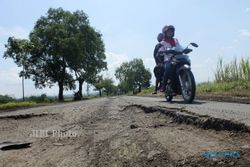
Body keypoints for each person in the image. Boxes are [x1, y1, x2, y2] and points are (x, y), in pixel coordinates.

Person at [158, 25, 184, 92]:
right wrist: (161, 51)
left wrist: (184, 49)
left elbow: (179, 47)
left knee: (184, 62)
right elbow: (160, 50)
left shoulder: (175, 40)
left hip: (177, 58)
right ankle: (163, 86)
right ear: (165, 33)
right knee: (168, 67)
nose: (170, 32)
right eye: (168, 31)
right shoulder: (162, 42)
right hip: (168, 60)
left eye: (171, 31)